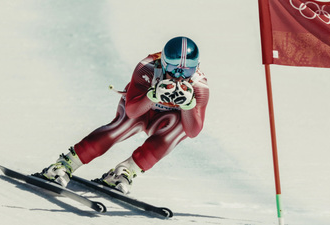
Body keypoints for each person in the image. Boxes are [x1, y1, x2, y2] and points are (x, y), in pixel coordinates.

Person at [37, 36, 210, 194]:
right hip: (139, 109)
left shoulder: (199, 85)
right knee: (124, 125)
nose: (179, 77)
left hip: (166, 120)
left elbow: (193, 131)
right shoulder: (148, 67)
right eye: (173, 69)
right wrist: (153, 95)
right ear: (163, 63)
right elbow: (132, 110)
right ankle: (66, 164)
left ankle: (127, 170)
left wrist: (188, 105)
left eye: (187, 71)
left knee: (178, 128)